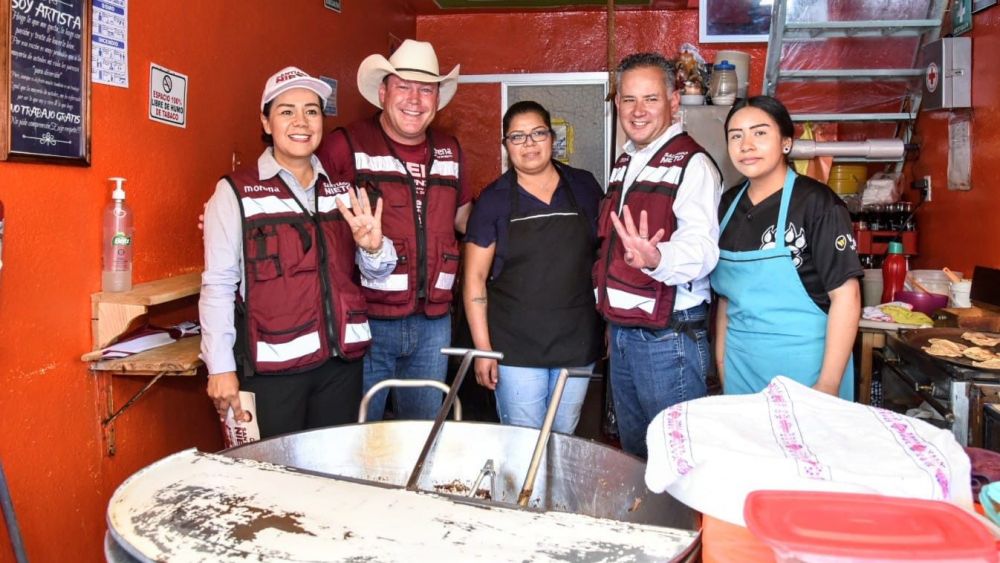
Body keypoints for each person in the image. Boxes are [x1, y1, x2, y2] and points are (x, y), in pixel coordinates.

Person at [200, 67, 398, 438]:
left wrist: (372, 248)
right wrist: (220, 366)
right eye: (286, 111)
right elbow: (219, 285)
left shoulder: (345, 192)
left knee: (334, 475)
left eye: (312, 110)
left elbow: (378, 273)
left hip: (341, 368)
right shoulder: (235, 192)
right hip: (272, 373)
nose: (301, 121)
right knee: (272, 482)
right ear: (266, 120)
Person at [316, 40, 473, 421]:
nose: (415, 100)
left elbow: (466, 220)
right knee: (360, 437)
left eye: (426, 89)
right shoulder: (345, 145)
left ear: (437, 98)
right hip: (366, 319)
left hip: (434, 323)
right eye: (404, 87)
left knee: (423, 437)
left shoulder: (451, 150)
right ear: (383, 92)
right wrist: (236, 216)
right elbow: (302, 197)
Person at [593, 52, 723, 459]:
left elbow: (703, 250)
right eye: (629, 100)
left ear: (673, 100)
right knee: (637, 456)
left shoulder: (693, 164)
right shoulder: (625, 162)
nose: (638, 110)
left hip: (670, 337)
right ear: (618, 105)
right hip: (627, 332)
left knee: (677, 459)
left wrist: (655, 258)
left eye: (650, 99)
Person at [463, 101, 603, 434]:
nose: (529, 143)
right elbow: (475, 280)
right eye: (517, 137)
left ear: (552, 138)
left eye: (538, 133)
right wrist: (484, 349)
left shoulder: (584, 186)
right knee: (524, 444)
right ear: (505, 145)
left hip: (577, 339)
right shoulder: (493, 200)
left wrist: (610, 324)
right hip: (515, 345)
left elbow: (603, 259)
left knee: (562, 438)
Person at [711, 95, 861, 399]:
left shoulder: (817, 203)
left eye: (760, 133)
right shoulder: (726, 206)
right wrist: (723, 364)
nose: (746, 144)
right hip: (741, 368)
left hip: (807, 369)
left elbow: (847, 296)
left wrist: (828, 384)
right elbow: (727, 301)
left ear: (786, 143)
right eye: (736, 136)